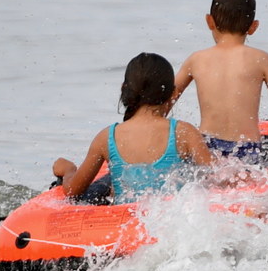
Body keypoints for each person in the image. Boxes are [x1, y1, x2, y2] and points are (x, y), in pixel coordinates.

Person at [171, 0, 268, 181]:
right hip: (246, 150)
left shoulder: (196, 59)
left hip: (206, 149)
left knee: (213, 179)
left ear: (209, 21)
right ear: (253, 27)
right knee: (248, 178)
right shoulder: (260, 59)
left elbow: (163, 102)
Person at [53, 53, 213, 202]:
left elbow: (73, 190)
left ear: (124, 88)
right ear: (171, 93)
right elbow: (215, 177)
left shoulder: (106, 138)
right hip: (170, 221)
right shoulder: (184, 133)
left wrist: (69, 170)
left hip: (125, 224)